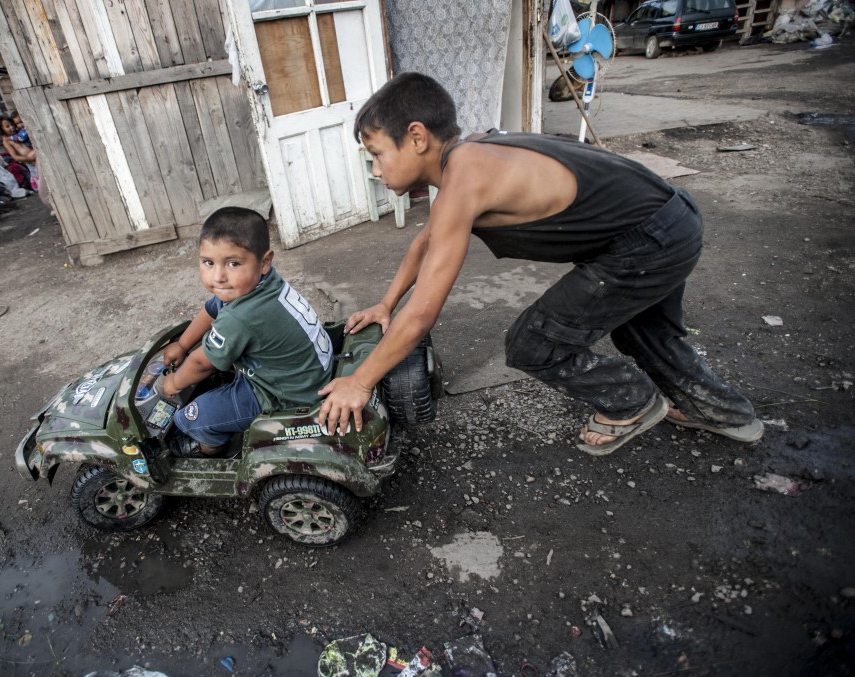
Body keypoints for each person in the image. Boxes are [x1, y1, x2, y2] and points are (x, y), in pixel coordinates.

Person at [317, 72, 762, 455]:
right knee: (644, 331)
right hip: (667, 218)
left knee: (533, 343)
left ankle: (633, 402)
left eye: (376, 154)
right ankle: (728, 415)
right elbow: (425, 242)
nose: (375, 170)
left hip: (648, 239)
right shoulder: (469, 156)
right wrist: (385, 303)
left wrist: (361, 381)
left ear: (417, 137)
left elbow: (422, 316)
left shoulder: (464, 179)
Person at [160, 207, 334, 456]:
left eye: (233, 263)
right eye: (208, 263)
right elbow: (212, 309)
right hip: (300, 374)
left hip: (286, 396)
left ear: (264, 262)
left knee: (195, 417)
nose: (218, 276)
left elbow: (201, 364)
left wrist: (173, 383)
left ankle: (212, 448)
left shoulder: (241, 316)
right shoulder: (257, 284)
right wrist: (183, 345)